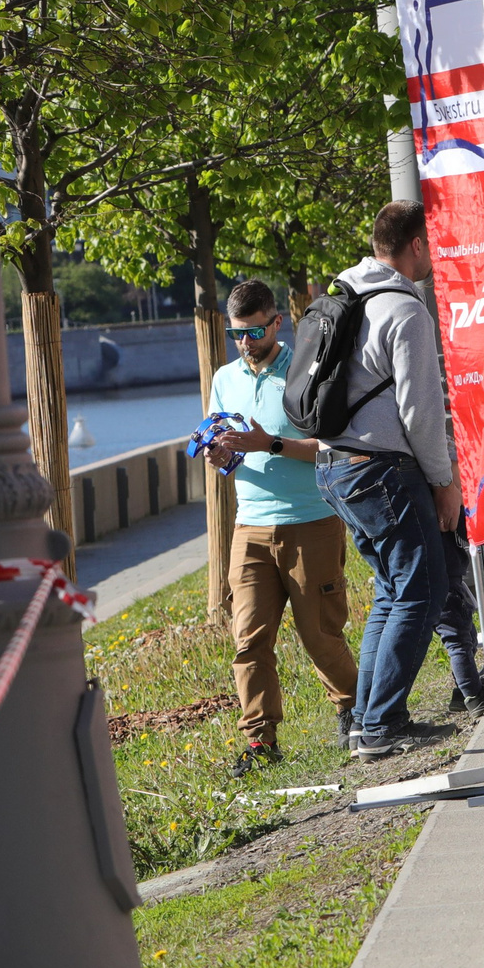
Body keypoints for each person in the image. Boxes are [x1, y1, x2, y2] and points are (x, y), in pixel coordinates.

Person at [314, 202, 459, 762]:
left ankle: (369, 720)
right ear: (417, 245)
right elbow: (421, 413)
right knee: (424, 589)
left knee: (392, 591)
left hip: (335, 467)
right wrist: (444, 481)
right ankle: (379, 726)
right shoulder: (405, 311)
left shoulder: (342, 294)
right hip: (382, 470)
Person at [205, 280, 357, 773]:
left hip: (311, 519)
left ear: (276, 323)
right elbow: (221, 436)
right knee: (248, 639)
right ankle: (260, 742)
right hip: (249, 525)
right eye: (236, 334)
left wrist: (268, 444)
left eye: (253, 332)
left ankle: (354, 710)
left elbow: (329, 445)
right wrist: (219, 452)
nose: (245, 343)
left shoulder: (303, 369)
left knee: (319, 632)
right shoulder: (225, 377)